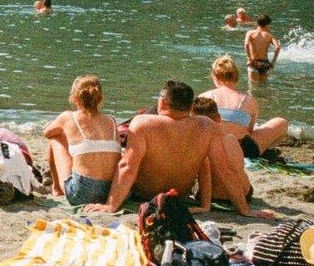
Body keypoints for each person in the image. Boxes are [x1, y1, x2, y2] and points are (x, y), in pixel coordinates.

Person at [81, 80, 276, 218]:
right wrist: (245, 209)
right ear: (190, 106)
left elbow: (127, 167)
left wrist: (111, 205)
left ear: (162, 102)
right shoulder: (208, 126)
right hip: (178, 196)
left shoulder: (143, 123)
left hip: (144, 195)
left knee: (120, 155)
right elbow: (225, 170)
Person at [42, 75, 118, 206]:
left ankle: (56, 188)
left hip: (81, 193)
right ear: (100, 100)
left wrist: (52, 125)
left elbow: (47, 133)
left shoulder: (67, 117)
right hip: (111, 191)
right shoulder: (111, 121)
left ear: (74, 99)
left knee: (55, 138)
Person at [201, 54, 287, 160]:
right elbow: (249, 131)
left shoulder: (204, 96)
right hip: (241, 150)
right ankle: (266, 150)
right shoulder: (248, 100)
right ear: (236, 77)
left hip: (210, 148)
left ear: (215, 77)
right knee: (281, 122)